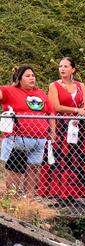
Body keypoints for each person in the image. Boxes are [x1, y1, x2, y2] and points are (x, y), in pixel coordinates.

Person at [42, 57, 85, 201]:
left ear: (73, 69)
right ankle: (61, 193)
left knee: (79, 157)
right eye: (60, 66)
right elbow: (55, 107)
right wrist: (75, 110)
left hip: (77, 126)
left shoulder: (80, 85)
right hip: (62, 125)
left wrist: (80, 111)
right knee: (62, 158)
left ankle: (74, 192)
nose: (62, 69)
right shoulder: (54, 85)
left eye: (66, 66)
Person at [1, 67, 55, 196]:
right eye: (27, 76)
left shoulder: (40, 93)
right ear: (19, 79)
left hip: (39, 139)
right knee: (15, 169)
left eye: (33, 75)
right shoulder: (9, 91)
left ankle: (29, 198)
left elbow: (51, 113)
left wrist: (53, 132)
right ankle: (12, 198)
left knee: (34, 168)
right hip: (18, 138)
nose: (32, 78)